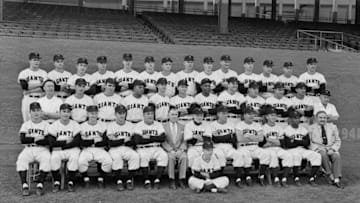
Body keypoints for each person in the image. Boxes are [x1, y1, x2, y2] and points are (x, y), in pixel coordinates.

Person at [16, 102, 51, 196]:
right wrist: (36, 138)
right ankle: (24, 185)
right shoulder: (26, 125)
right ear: (30, 113)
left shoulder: (46, 125)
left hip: (42, 149)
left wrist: (31, 139)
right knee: (21, 160)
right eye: (33, 111)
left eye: (38, 110)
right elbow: (23, 140)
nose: (36, 113)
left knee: (47, 159)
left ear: (41, 112)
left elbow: (48, 141)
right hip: (28, 149)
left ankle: (40, 184)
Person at [281, 109, 321, 186]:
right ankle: (296, 178)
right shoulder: (286, 130)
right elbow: (287, 144)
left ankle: (311, 178)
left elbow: (307, 143)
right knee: (296, 155)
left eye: (298, 118)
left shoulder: (303, 129)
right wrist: (300, 141)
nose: (297, 120)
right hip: (290, 150)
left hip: (303, 149)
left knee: (316, 156)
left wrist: (295, 141)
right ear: (290, 119)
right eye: (295, 118)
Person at [48, 103, 81, 192]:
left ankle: (71, 181)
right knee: (54, 158)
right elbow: (52, 143)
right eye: (64, 111)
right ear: (59, 112)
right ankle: (57, 181)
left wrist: (61, 145)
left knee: (74, 158)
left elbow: (77, 141)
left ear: (70, 114)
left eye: (68, 112)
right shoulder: (54, 125)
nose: (66, 114)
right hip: (59, 149)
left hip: (71, 149)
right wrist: (66, 142)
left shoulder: (75, 124)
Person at [133, 105, 168, 189]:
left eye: (152, 113)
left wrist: (148, 137)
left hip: (156, 147)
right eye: (148, 114)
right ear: (144, 115)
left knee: (164, 156)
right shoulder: (139, 125)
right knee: (143, 157)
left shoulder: (158, 124)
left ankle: (157, 179)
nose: (150, 115)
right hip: (143, 148)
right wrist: (155, 138)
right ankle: (146, 180)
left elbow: (162, 138)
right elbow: (138, 140)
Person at [210, 105, 245, 188]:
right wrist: (228, 137)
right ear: (218, 114)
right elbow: (214, 139)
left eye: (226, 113)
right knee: (220, 156)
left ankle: (238, 179)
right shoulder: (212, 125)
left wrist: (223, 138)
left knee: (238, 155)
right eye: (223, 113)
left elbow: (234, 139)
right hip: (217, 147)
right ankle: (220, 178)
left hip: (229, 147)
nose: (225, 115)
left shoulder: (231, 124)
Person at [78, 105, 112, 188]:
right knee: (81, 161)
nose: (93, 115)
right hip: (87, 149)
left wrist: (92, 142)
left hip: (100, 149)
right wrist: (93, 141)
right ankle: (85, 178)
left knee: (108, 161)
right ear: (87, 114)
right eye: (91, 113)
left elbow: (105, 141)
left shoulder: (103, 125)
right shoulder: (81, 126)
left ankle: (101, 178)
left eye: (95, 113)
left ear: (98, 114)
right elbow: (80, 142)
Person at [107, 105, 140, 191]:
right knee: (117, 158)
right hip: (114, 149)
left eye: (123, 113)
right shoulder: (111, 125)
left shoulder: (131, 125)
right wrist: (123, 140)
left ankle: (129, 180)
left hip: (127, 148)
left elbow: (134, 141)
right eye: (119, 113)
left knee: (135, 156)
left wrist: (118, 140)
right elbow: (111, 143)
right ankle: (119, 181)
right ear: (115, 114)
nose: (121, 115)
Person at [235, 106, 270, 186]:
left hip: (255, 147)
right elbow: (240, 139)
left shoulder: (257, 125)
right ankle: (246, 177)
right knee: (245, 155)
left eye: (252, 114)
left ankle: (261, 176)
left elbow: (261, 139)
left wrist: (248, 136)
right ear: (244, 115)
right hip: (243, 146)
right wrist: (254, 138)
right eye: (248, 114)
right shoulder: (239, 125)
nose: (251, 116)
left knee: (265, 154)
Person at [260, 105, 293, 187]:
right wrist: (274, 141)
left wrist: (270, 139)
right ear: (267, 117)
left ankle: (284, 179)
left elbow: (280, 143)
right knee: (273, 156)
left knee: (288, 156)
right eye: (271, 115)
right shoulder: (262, 128)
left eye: (275, 115)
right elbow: (263, 143)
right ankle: (275, 178)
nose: (273, 117)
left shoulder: (279, 128)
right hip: (266, 149)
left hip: (277, 148)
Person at [309, 111, 343, 188]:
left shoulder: (333, 127)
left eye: (324, 118)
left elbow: (338, 140)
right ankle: (330, 174)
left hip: (330, 147)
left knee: (336, 156)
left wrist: (333, 149)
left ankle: (337, 179)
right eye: (320, 118)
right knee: (323, 153)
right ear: (316, 118)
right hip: (318, 148)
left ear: (326, 119)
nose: (322, 119)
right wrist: (317, 148)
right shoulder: (311, 128)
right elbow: (309, 142)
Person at [162, 107, 187, 189]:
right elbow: (163, 141)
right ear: (168, 115)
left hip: (180, 149)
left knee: (184, 157)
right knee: (170, 157)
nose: (174, 116)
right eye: (172, 114)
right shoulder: (163, 126)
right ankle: (171, 180)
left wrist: (181, 149)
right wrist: (170, 150)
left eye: (176, 114)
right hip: (169, 150)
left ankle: (181, 179)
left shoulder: (182, 126)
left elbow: (185, 140)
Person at [18, 52, 47, 121]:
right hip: (28, 99)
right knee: (27, 121)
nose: (36, 62)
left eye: (38, 60)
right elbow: (24, 86)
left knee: (40, 121)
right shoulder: (24, 73)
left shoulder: (44, 73)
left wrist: (30, 90)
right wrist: (40, 84)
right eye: (34, 60)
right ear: (30, 61)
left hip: (41, 99)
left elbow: (44, 88)